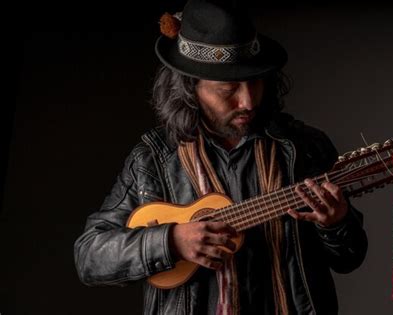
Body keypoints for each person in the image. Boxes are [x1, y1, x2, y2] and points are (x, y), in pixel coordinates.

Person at [74, 0, 368, 314]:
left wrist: (335, 223)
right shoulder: (154, 159)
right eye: (228, 88)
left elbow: (349, 258)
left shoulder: (303, 147)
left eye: (255, 82)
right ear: (190, 88)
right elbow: (89, 257)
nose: (247, 101)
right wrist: (171, 242)